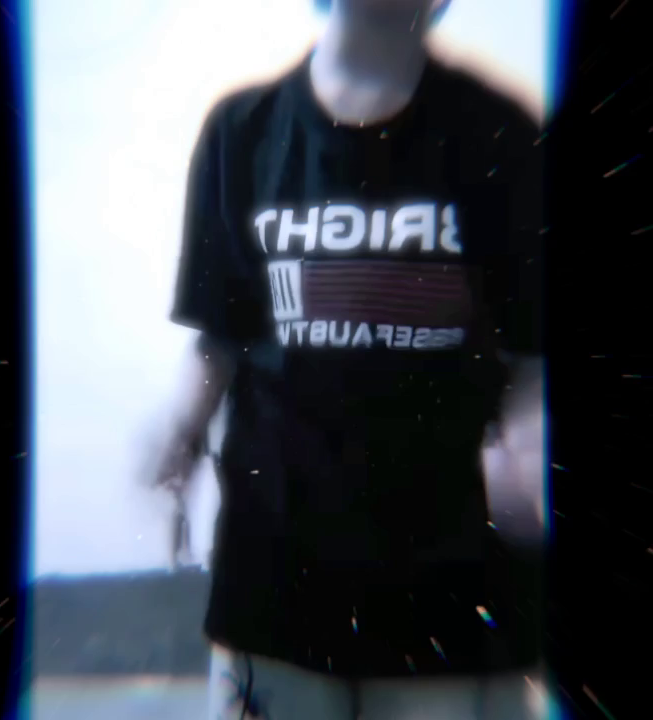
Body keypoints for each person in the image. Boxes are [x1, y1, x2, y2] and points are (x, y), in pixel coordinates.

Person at [159, 0, 547, 717]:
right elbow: (217, 338)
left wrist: (529, 455)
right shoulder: (241, 132)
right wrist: (178, 442)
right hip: (273, 594)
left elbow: (531, 354)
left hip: (454, 606)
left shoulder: (502, 134)